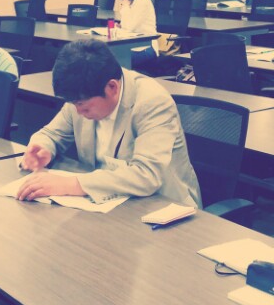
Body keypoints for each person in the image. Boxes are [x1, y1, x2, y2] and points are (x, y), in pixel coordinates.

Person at [16, 39, 200, 208]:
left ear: (112, 87)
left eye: (82, 105)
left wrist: (72, 184)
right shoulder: (82, 94)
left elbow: (147, 175)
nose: (78, 112)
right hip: (109, 204)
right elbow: (51, 134)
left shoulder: (153, 102)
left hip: (164, 206)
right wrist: (43, 147)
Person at [110, 0, 158, 67]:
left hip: (146, 48)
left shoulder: (141, 0)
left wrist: (125, 5)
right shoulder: (131, 1)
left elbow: (130, 28)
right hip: (132, 46)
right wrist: (120, 27)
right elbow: (126, 26)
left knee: (114, 59)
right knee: (108, 55)